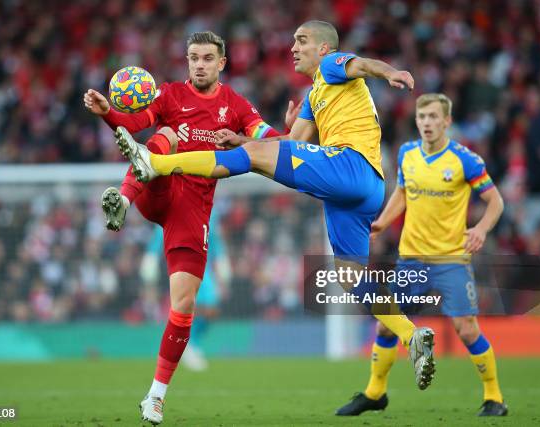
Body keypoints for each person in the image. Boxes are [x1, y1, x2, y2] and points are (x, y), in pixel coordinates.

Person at [113, 20, 436, 394]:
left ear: (323, 50)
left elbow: (363, 64)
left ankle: (155, 164)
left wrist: (392, 72)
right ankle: (412, 337)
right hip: (361, 192)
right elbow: (288, 142)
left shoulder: (332, 67)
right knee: (350, 277)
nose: (294, 48)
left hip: (350, 166)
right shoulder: (316, 95)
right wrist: (239, 139)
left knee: (253, 155)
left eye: (301, 42)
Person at [84, 31, 294, 425]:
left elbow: (266, 138)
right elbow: (134, 121)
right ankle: (124, 201)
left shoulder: (235, 105)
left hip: (193, 210)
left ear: (221, 63)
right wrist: (106, 112)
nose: (199, 64)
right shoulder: (169, 95)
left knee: (184, 305)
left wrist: (291, 132)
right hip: (159, 189)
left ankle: (155, 397)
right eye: (193, 57)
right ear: (187, 61)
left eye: (207, 58)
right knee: (163, 135)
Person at [336, 93, 508, 417]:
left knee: (466, 328)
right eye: (422, 117)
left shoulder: (464, 160)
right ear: (416, 121)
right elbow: (402, 192)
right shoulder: (407, 153)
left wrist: (482, 229)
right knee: (387, 325)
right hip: (411, 258)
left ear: (447, 122)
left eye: (433, 117)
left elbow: (496, 201)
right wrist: (383, 223)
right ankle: (375, 393)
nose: (427, 123)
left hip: (450, 259)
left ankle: (494, 397)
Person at [140, 208, 230, 371]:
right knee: (196, 305)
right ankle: (189, 345)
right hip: (182, 265)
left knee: (210, 307)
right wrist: (151, 264)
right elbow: (157, 241)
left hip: (205, 267)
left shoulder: (211, 211)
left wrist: (222, 263)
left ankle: (191, 344)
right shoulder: (170, 209)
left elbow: (215, 241)